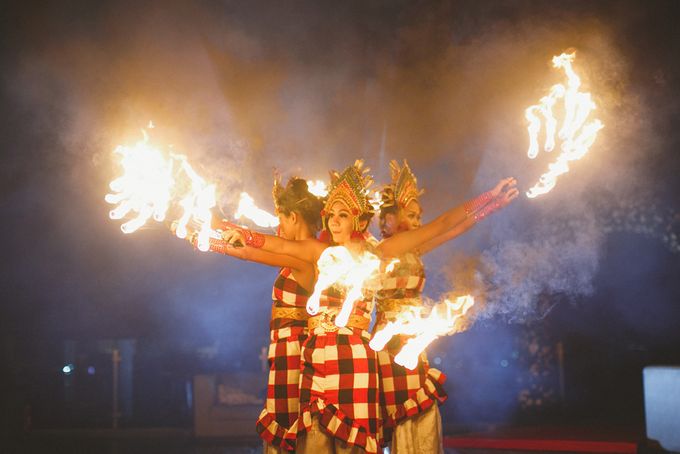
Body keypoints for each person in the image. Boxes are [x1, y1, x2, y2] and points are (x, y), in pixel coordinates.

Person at [221, 160, 518, 453]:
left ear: (359, 222)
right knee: (313, 440)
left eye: (343, 215)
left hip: (355, 355)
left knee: (355, 443)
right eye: (331, 215)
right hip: (317, 354)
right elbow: (276, 247)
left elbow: (442, 226)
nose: (334, 221)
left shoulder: (378, 253)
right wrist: (234, 238)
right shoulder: (318, 252)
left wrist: (489, 199)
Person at [374, 160, 517, 453]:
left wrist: (493, 205)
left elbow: (453, 229)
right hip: (392, 341)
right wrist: (487, 195)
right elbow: (441, 224)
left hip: (413, 337)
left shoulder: (412, 248)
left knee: (421, 407)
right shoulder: (385, 250)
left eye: (418, 215)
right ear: (387, 221)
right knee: (406, 409)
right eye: (410, 215)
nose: (417, 220)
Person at [187, 177, 323, 453]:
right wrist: (206, 233)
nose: (278, 226)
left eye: (281, 219)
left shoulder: (307, 258)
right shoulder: (298, 256)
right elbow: (253, 250)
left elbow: (252, 252)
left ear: (294, 217)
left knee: (291, 420)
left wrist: (215, 236)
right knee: (284, 416)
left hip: (297, 349)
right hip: (284, 345)